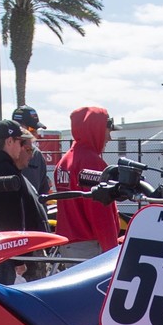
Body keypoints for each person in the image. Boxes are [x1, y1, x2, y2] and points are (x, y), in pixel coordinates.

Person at [55, 105, 121, 252]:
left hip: (68, 244)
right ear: (95, 130)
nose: (109, 138)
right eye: (107, 132)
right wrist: (111, 251)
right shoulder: (91, 162)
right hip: (89, 247)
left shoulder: (64, 161)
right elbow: (100, 213)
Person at [8, 105, 54, 208]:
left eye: (36, 130)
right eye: (32, 129)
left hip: (31, 219)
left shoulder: (37, 155)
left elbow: (44, 193)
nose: (35, 134)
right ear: (18, 126)